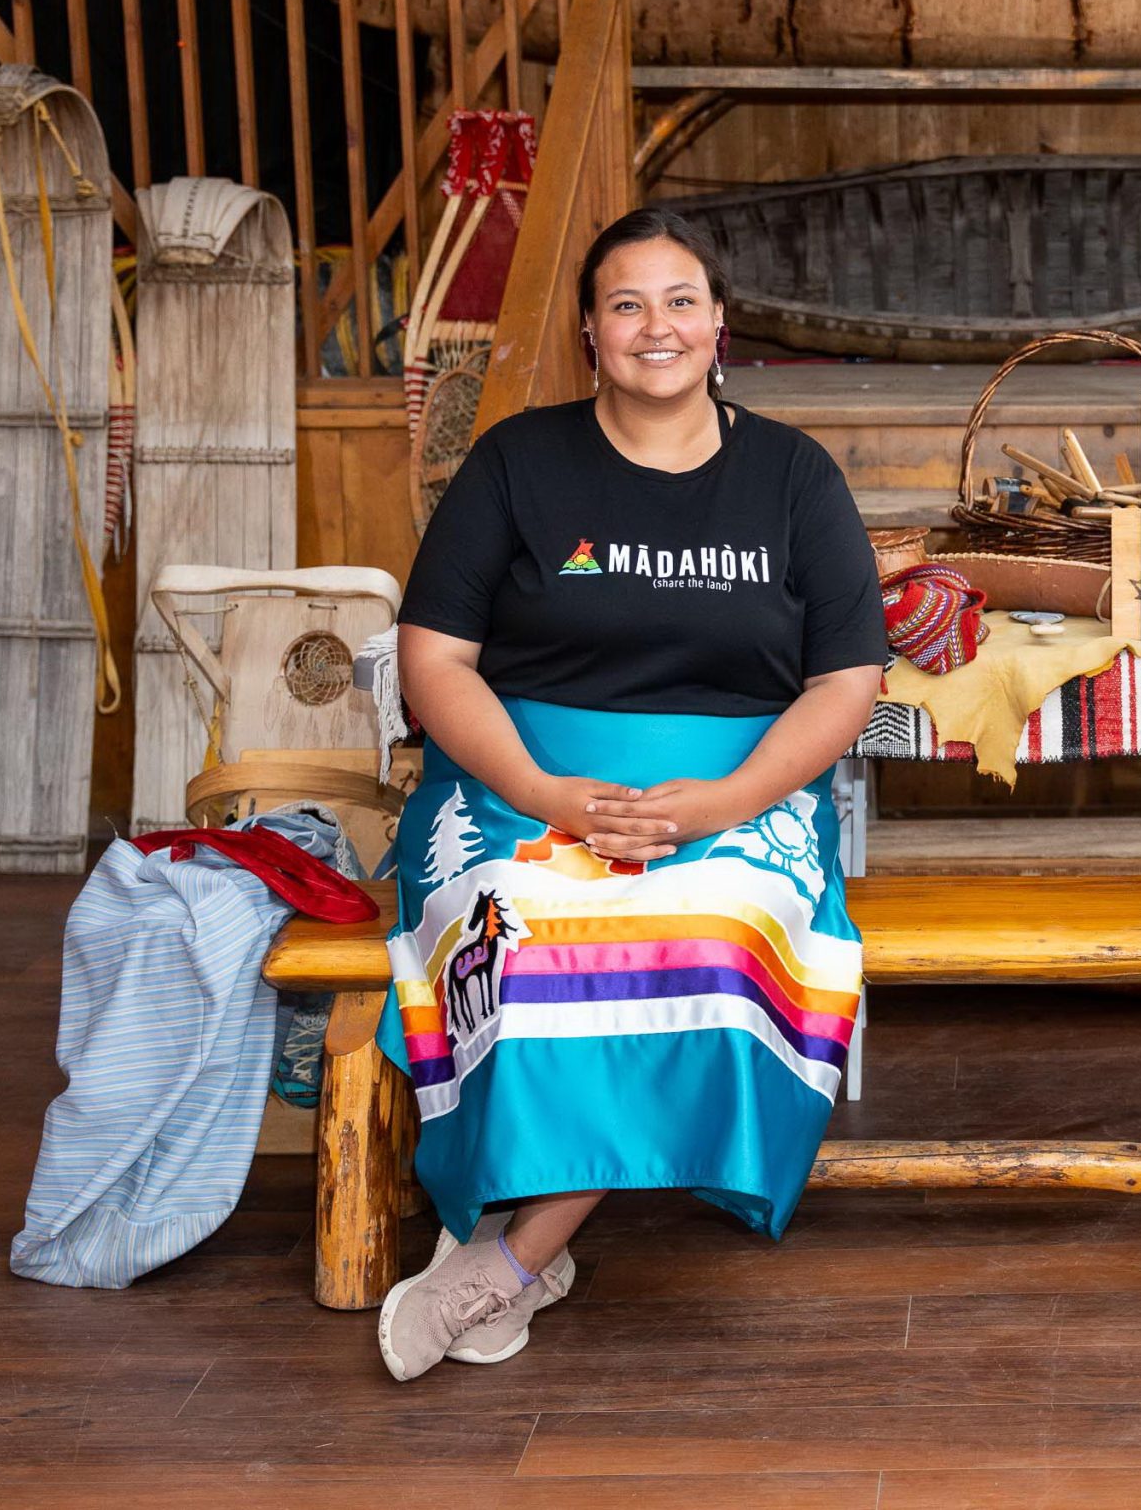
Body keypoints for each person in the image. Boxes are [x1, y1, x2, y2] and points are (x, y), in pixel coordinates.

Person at [370, 207, 886, 1380]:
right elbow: (435, 658)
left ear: (719, 326)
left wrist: (726, 802)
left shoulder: (794, 477)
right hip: (517, 784)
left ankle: (505, 1260)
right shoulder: (517, 463)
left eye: (680, 301)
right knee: (522, 926)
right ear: (591, 335)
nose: (657, 326)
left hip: (737, 799)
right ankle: (517, 1234)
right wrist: (540, 788)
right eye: (626, 304)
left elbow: (847, 676)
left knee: (704, 937)